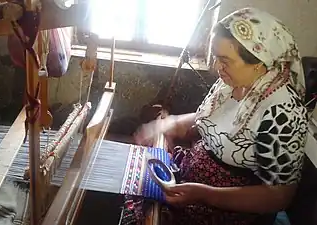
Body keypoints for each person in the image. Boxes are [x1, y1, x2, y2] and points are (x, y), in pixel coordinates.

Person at [121, 7, 308, 225]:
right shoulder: (231, 83)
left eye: (225, 60)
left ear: (259, 61)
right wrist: (169, 124)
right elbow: (208, 118)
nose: (216, 67)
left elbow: (279, 197)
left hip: (229, 214)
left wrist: (204, 194)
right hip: (191, 183)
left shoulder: (282, 112)